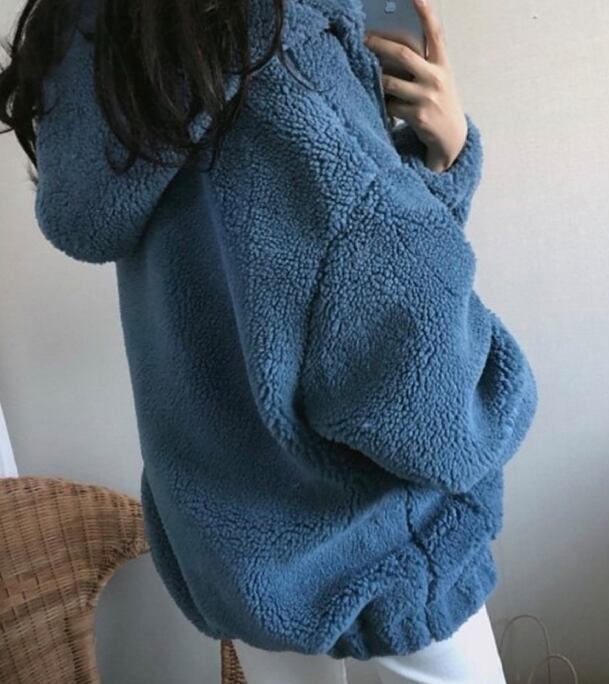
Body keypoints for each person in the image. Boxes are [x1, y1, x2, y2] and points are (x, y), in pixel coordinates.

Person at [0, 0, 537, 681]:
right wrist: (448, 159)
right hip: (376, 556)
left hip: (237, 555)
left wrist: (428, 164)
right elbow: (429, 401)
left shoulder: (124, 46)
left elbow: (303, 284)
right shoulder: (281, 57)